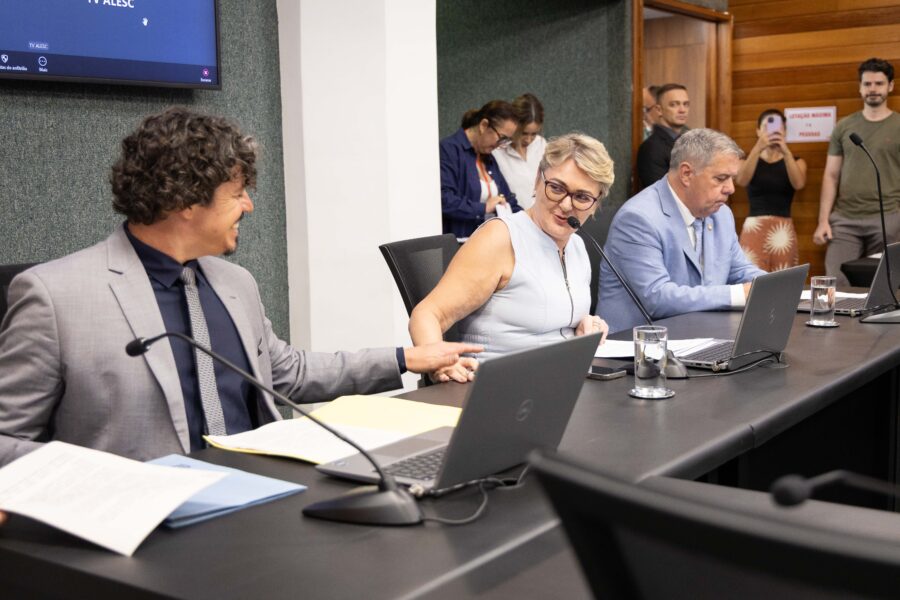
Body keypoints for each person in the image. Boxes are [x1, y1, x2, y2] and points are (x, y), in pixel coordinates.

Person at [0, 107, 481, 468]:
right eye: (237, 194)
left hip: (265, 492)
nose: (249, 206)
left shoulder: (234, 283)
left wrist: (406, 358)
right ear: (185, 201)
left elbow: (287, 374)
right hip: (142, 524)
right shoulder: (55, 296)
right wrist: (99, 478)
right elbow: (7, 439)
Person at [411, 133, 614, 382]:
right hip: (494, 387)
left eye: (582, 197)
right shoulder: (500, 238)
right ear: (537, 181)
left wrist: (582, 327)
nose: (565, 205)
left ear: (595, 204)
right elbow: (428, 314)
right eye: (556, 188)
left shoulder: (577, 246)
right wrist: (442, 364)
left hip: (558, 382)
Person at [599, 129, 765, 334]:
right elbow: (657, 298)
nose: (730, 188)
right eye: (721, 178)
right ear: (686, 174)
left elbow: (740, 271)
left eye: (732, 178)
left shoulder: (721, 214)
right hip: (636, 345)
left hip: (698, 336)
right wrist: (737, 295)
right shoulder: (638, 218)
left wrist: (778, 287)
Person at [813, 58, 900, 286]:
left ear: (890, 86)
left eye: (879, 83)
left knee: (884, 286)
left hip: (888, 219)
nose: (873, 89)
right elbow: (831, 175)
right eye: (867, 84)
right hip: (844, 220)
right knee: (834, 283)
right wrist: (823, 220)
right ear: (860, 87)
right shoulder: (844, 126)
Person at [736, 109, 807, 271]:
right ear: (758, 131)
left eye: (778, 127)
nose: (773, 131)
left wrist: (785, 151)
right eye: (767, 127)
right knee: (751, 278)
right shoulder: (746, 160)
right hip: (754, 226)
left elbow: (799, 184)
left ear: (785, 131)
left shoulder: (797, 161)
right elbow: (741, 180)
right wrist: (758, 148)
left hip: (783, 228)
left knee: (784, 278)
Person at [440, 100, 523, 238]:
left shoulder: (488, 158)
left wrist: (529, 219)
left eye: (506, 141)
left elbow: (508, 199)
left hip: (487, 241)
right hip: (460, 242)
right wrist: (483, 208)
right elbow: (444, 200)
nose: (500, 145)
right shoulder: (449, 150)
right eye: (502, 138)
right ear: (484, 125)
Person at [493, 93, 547, 209]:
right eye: (524, 133)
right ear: (514, 125)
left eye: (534, 134)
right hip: (512, 216)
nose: (528, 140)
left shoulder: (541, 145)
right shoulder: (497, 151)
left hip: (541, 215)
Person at [636, 83, 690, 190]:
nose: (682, 110)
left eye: (686, 104)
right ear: (659, 110)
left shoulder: (688, 142)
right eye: (674, 104)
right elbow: (659, 191)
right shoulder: (651, 147)